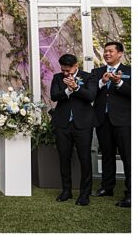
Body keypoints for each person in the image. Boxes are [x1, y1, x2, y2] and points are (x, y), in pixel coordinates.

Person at [50, 53, 97, 206]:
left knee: (85, 159)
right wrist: (67, 91)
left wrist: (76, 87)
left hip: (83, 124)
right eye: (63, 70)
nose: (65, 73)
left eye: (68, 70)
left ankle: (84, 194)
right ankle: (66, 191)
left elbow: (91, 96)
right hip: (62, 124)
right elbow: (54, 96)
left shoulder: (89, 77)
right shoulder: (57, 78)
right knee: (64, 158)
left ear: (76, 66)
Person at [92, 41, 130, 208]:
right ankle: (107, 187)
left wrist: (118, 83)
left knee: (128, 157)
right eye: (105, 51)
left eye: (111, 51)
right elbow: (90, 93)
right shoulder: (97, 72)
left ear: (120, 53)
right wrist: (102, 82)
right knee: (107, 155)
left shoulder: (130, 71)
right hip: (103, 120)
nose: (107, 54)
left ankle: (130, 194)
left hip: (123, 121)